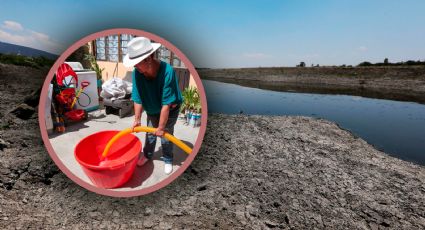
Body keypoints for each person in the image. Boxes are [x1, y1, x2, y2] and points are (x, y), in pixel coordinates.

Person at [123, 37, 182, 174]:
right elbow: (137, 99)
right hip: (152, 105)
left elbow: (166, 104)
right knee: (150, 132)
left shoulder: (168, 71)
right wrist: (137, 119)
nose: (135, 67)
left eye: (137, 63)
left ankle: (168, 158)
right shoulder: (137, 73)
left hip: (170, 108)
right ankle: (147, 155)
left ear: (148, 59)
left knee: (165, 134)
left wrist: (161, 127)